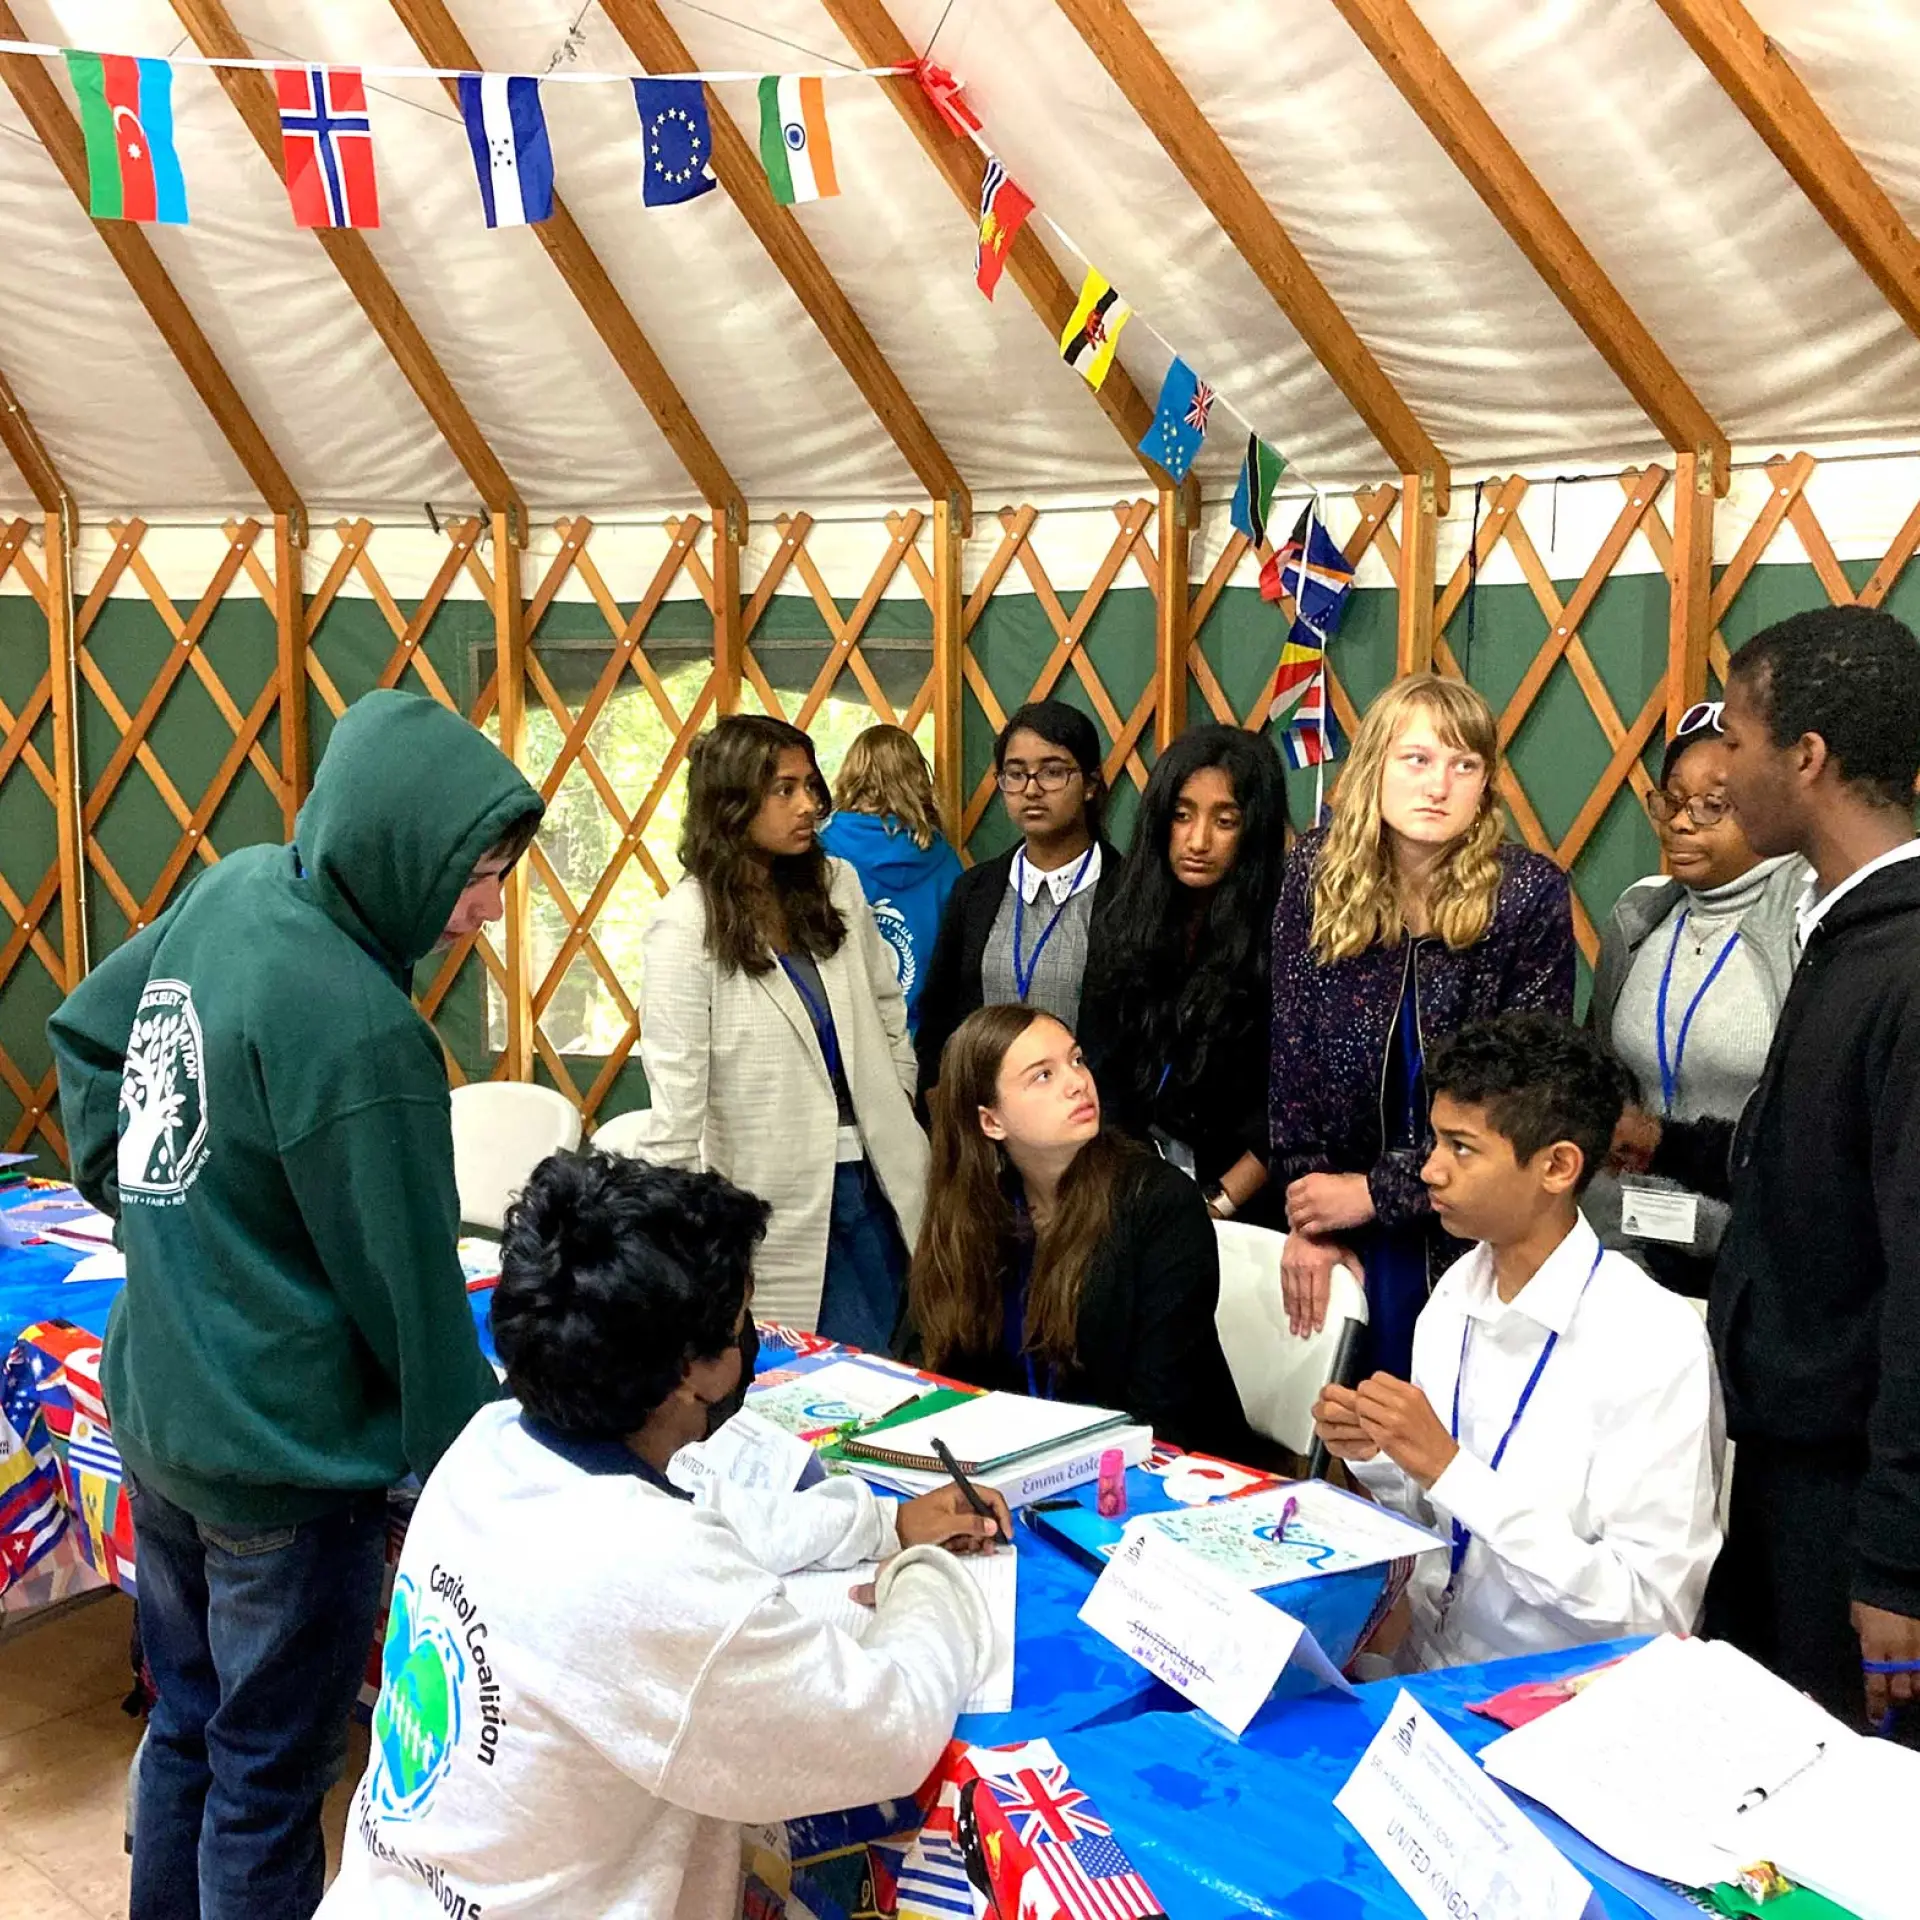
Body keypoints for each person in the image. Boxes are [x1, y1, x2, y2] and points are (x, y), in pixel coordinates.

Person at [45, 688, 545, 1920]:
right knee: (269, 1780)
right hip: (280, 1463)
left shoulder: (239, 886)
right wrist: (498, 1484)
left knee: (185, 1731)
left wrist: (140, 1180)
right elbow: (417, 1312)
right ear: (397, 850)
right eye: (473, 876)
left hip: (160, 1420)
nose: (484, 910)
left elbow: (85, 1030)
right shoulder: (369, 1040)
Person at [320, 1148, 1005, 1920]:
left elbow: (697, 1511)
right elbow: (888, 1731)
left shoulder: (494, 1443)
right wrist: (925, 1575)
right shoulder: (644, 1569)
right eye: (742, 1324)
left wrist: (884, 1521)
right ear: (694, 1370)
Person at [1615, 605, 1920, 1738]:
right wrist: (1680, 1148)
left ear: (1807, 758)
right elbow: (1814, 1154)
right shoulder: (1843, 930)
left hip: (1851, 1501)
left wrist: (1898, 1557)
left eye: (1736, 739)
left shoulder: (1903, 964)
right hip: (1787, 1459)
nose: (1718, 767)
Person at [1312, 1013, 1721, 1672]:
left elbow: (1650, 1612)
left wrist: (1451, 1470)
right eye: (1435, 1141)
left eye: (1461, 1147)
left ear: (1558, 1167)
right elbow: (1438, 1525)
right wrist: (1382, 1457)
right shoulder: (1452, 1297)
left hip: (1563, 1698)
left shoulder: (1653, 1341)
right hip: (1430, 1665)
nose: (1430, 1171)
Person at [1270, 673, 1575, 1378]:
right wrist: (1311, 1214)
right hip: (1339, 1216)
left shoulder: (1526, 895)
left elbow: (1521, 1090)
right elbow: (1290, 1059)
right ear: (1373, 764)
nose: (1439, 785)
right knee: (1350, 1427)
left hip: (1472, 1229)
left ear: (1486, 785)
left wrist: (1381, 1192)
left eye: (1463, 765)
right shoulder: (1314, 876)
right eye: (1417, 760)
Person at [632, 714, 925, 1347]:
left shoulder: (835, 883)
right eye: (783, 790)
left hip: (882, 1172)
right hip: (776, 1194)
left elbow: (886, 1004)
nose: (809, 805)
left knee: (904, 1359)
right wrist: (673, 1242)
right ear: (731, 802)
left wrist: (896, 1091)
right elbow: (677, 1098)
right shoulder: (686, 926)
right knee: (815, 1374)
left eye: (810, 786)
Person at [898, 1003, 1251, 1457]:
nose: (1077, 1083)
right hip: (1014, 1467)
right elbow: (927, 1357)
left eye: (1076, 1059)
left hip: (1160, 1478)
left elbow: (1163, 1410)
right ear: (991, 1120)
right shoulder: (979, 1207)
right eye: (1043, 1075)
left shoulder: (1158, 1202)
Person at [1586, 701, 1808, 1296]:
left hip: (1760, 1268)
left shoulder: (1808, 927)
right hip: (1628, 1253)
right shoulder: (1638, 917)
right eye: (1672, 800)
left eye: (1715, 806)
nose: (1683, 823)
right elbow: (1599, 1075)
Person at [1079, 723, 1290, 1226]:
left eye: (1225, 820)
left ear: (1253, 829)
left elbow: (1290, 1103)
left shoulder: (1288, 930)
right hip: (1137, 1185)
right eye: (1182, 815)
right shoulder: (1122, 916)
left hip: (1251, 1202)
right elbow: (1103, 1068)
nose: (1198, 840)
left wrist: (1216, 1204)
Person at [915, 700, 1125, 1103]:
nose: (1031, 788)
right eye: (1015, 774)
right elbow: (938, 1014)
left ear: (1091, 783)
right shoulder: (975, 891)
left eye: (1052, 771)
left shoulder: (1129, 893)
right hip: (987, 1126)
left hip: (1092, 1132)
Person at [818, 723, 963, 1036]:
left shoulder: (821, 850)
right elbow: (958, 953)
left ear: (851, 775)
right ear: (917, 779)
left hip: (847, 1036)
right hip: (921, 1035)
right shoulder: (944, 859)